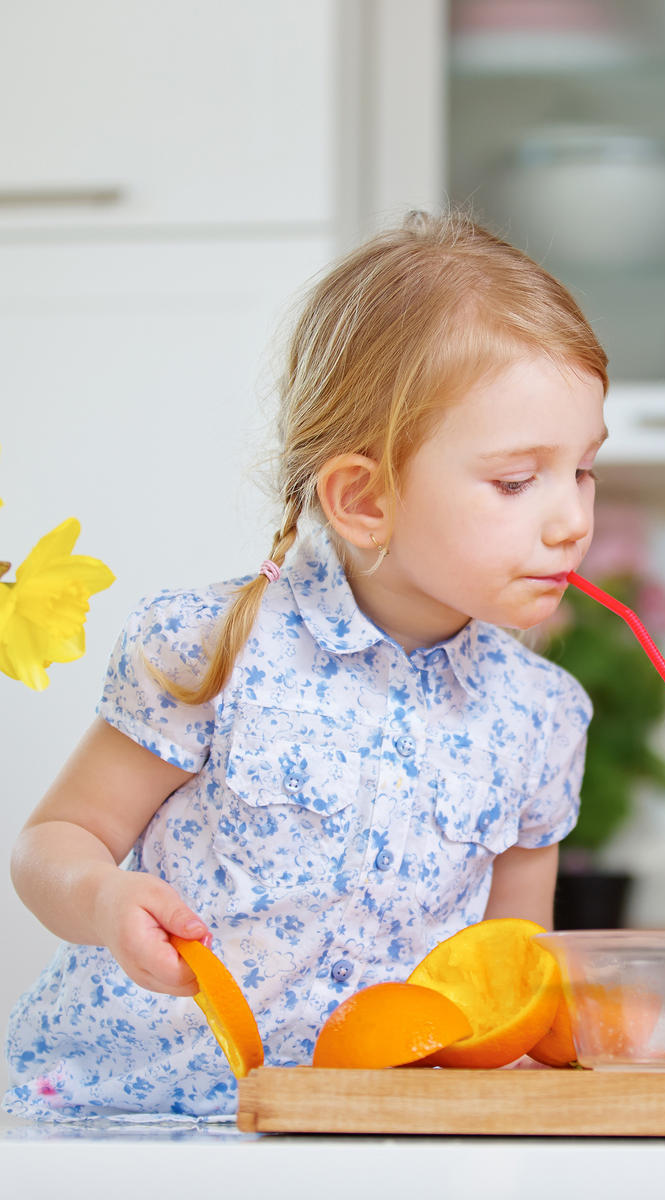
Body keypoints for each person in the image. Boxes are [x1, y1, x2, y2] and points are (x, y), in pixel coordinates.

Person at [6, 212, 608, 1119]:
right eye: (518, 482)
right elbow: (51, 845)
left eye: (586, 470)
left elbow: (510, 973)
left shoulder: (542, 717)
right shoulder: (212, 650)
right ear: (363, 497)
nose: (571, 520)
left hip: (363, 1136)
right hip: (117, 1120)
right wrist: (102, 898)